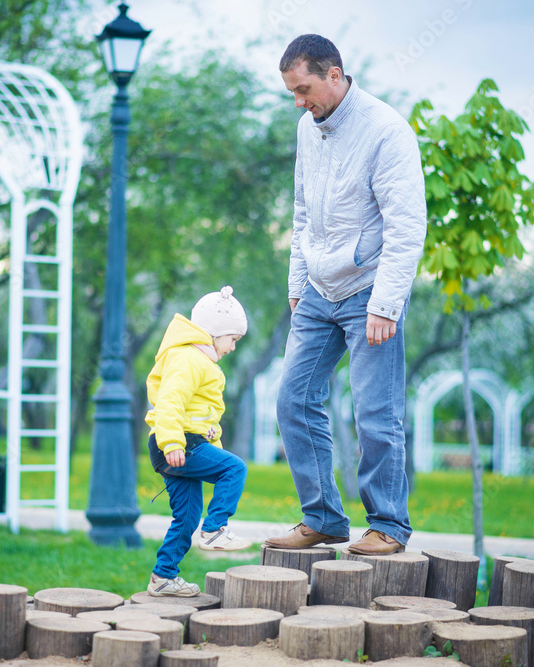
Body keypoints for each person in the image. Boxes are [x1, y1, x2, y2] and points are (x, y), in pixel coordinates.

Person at [263, 34, 427, 556]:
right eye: (292, 91)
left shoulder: (386, 131)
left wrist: (385, 303)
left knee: (375, 413)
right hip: (317, 288)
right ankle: (324, 518)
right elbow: (302, 212)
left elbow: (407, 225)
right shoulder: (306, 129)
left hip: (367, 291)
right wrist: (296, 286)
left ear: (334, 74)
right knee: (293, 398)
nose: (298, 102)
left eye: (304, 88)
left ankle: (388, 526)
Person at [145, 286, 252, 597]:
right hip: (178, 444)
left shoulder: (200, 360)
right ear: (214, 333)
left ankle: (163, 576)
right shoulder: (188, 359)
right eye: (233, 339)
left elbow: (201, 415)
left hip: (180, 444)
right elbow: (170, 400)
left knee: (187, 516)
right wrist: (173, 442)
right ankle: (215, 529)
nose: (232, 348)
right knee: (235, 469)